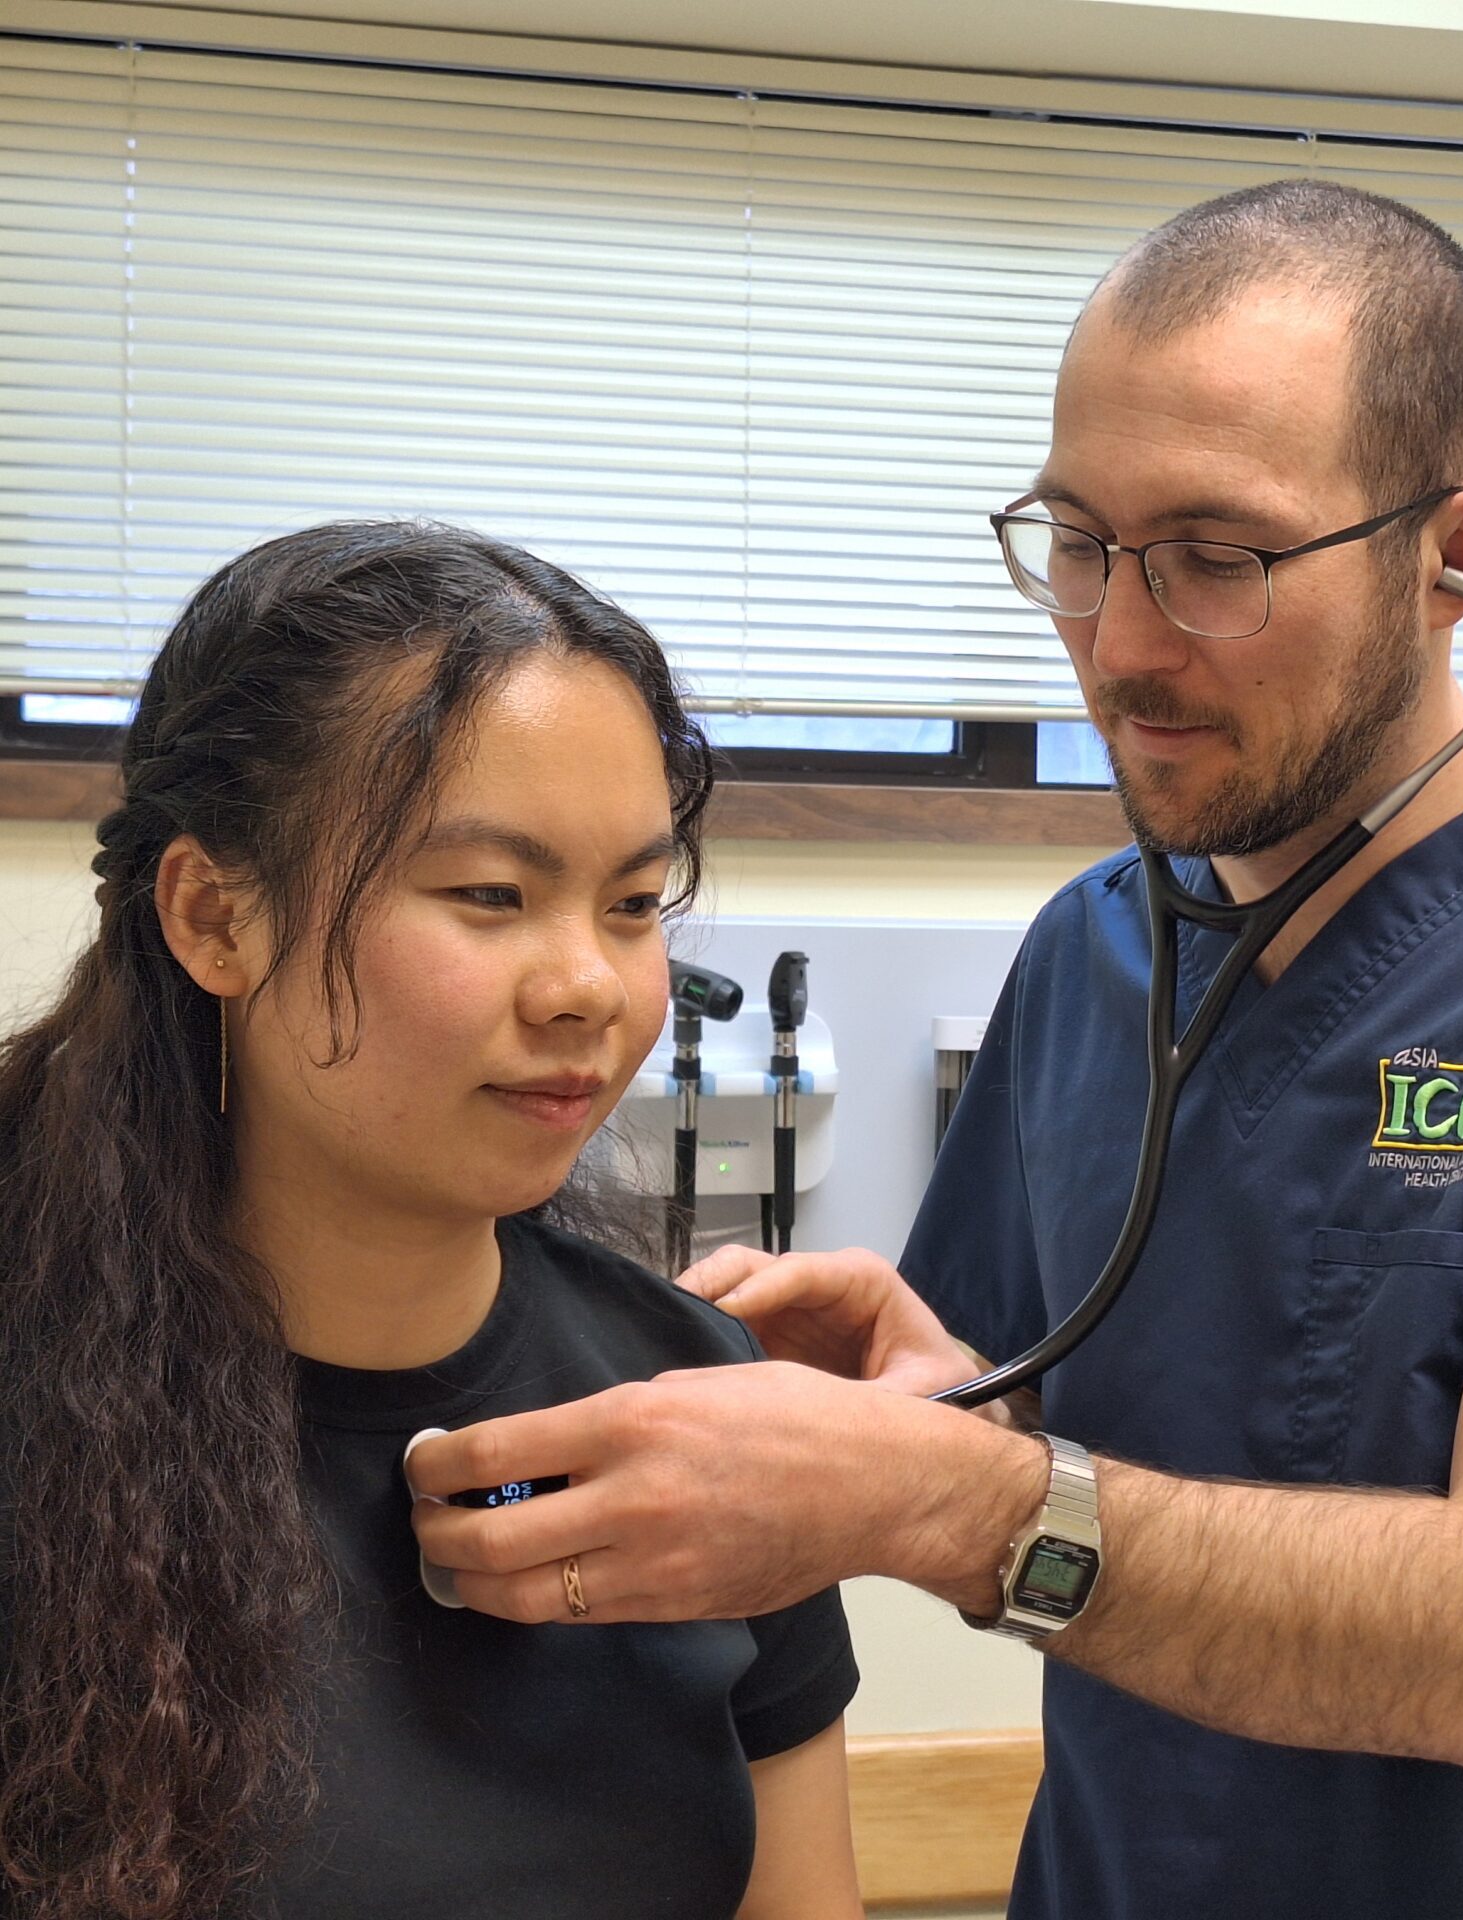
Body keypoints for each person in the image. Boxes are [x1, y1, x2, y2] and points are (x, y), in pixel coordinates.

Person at [406, 183, 1463, 1919]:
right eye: (1079, 541)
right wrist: (946, 1384)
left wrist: (940, 1496)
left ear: (1462, 557)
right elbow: (1084, 1421)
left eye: (1218, 561)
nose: (1118, 647)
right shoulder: (1095, 948)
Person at [0, 522, 863, 1920]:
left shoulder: (707, 1410)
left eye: (637, 903)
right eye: (489, 897)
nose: (587, 984)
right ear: (214, 916)